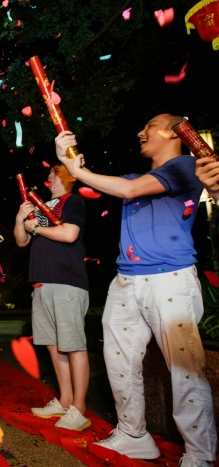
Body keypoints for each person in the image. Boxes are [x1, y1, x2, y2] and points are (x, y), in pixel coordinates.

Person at [56, 114, 217, 466]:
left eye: (150, 126)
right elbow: (120, 185)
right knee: (119, 362)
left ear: (174, 131)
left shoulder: (187, 166)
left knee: (184, 369)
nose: (140, 131)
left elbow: (129, 190)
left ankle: (200, 455)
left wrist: (79, 173)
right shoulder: (136, 178)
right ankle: (133, 434)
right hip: (126, 280)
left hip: (170, 279)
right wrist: (71, 159)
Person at [13, 164, 91, 431]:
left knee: (73, 345)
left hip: (67, 282)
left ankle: (79, 408)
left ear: (70, 177)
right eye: (49, 174)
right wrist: (20, 220)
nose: (49, 177)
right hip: (42, 283)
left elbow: (69, 234)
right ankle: (65, 400)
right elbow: (21, 242)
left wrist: (35, 228)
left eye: (55, 173)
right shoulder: (41, 206)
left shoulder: (73, 201)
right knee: (53, 345)